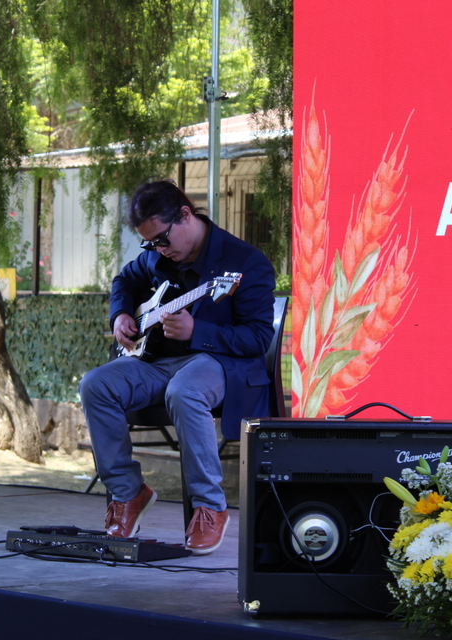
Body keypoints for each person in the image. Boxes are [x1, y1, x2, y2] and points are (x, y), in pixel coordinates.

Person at [79, 179, 275, 555]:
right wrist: (120, 314)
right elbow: (125, 280)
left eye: (162, 239)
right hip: (158, 362)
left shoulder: (244, 262)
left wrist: (197, 331)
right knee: (95, 385)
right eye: (150, 243)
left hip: (219, 364)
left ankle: (210, 507)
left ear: (185, 215)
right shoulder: (157, 256)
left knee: (185, 390)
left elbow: (257, 338)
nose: (159, 249)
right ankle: (128, 493)